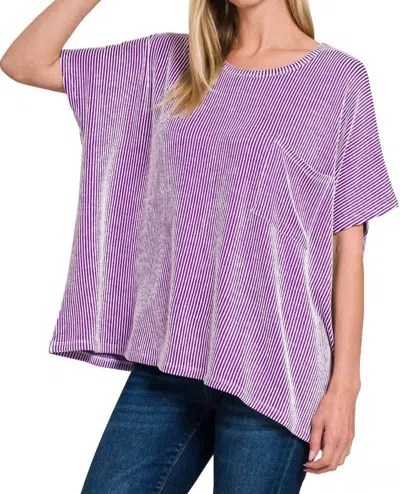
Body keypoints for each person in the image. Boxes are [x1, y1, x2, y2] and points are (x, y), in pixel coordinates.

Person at [1, 0, 398, 492]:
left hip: (276, 370)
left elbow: (348, 248)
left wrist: (345, 389)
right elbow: (24, 61)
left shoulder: (338, 80)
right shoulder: (172, 64)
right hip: (170, 361)